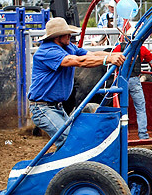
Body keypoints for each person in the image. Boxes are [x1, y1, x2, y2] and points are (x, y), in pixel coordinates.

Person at [28, 17, 125, 149]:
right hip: (42, 108)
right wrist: (108, 59)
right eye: (66, 34)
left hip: (56, 107)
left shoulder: (67, 47)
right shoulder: (47, 52)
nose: (70, 36)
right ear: (57, 37)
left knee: (70, 139)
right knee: (68, 140)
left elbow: (91, 54)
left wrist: (117, 54)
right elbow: (80, 62)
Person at [113, 37, 152, 140]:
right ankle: (143, 134)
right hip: (135, 80)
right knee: (140, 107)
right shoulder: (142, 48)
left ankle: (123, 134)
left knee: (121, 107)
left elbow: (112, 59)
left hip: (121, 80)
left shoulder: (119, 47)